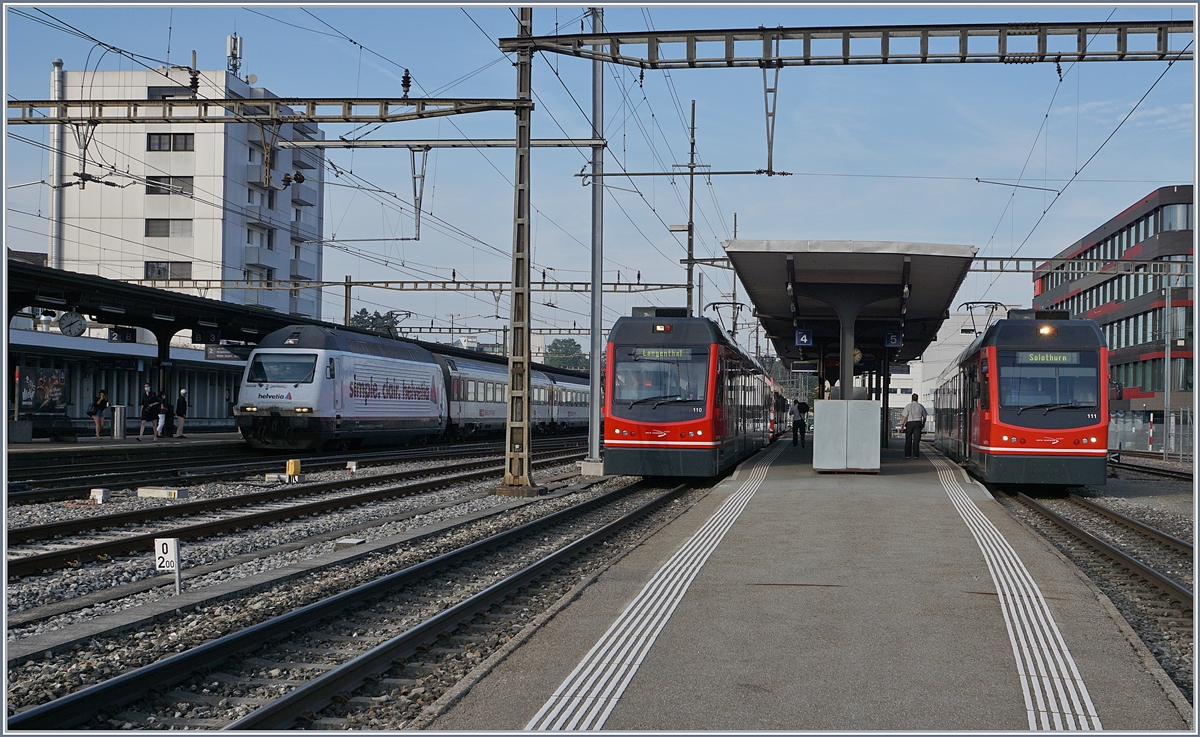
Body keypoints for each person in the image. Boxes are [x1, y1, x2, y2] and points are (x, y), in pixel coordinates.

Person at [901, 393, 929, 459]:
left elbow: (904, 416)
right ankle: (916, 455)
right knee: (916, 440)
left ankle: (907, 454)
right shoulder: (920, 406)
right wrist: (923, 424)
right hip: (918, 423)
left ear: (912, 398)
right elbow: (925, 416)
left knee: (908, 439)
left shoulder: (908, 406)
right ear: (917, 398)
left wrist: (902, 424)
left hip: (910, 423)